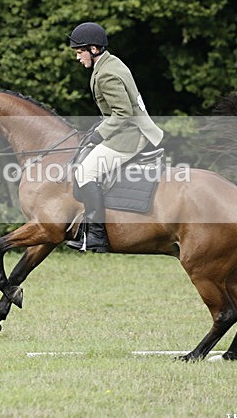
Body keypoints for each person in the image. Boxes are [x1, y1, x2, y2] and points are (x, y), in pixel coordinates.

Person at [65, 22, 164, 252]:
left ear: (93, 49)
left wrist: (100, 134)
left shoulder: (107, 74)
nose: (78, 57)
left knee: (85, 172)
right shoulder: (110, 63)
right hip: (125, 129)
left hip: (130, 135)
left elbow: (122, 113)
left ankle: (96, 235)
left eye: (79, 52)